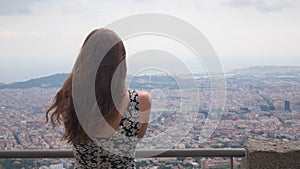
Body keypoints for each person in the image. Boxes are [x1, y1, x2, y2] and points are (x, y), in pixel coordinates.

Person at [46, 28, 151, 168]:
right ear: (121, 63)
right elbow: (136, 139)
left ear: (84, 60)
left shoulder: (69, 99)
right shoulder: (141, 102)